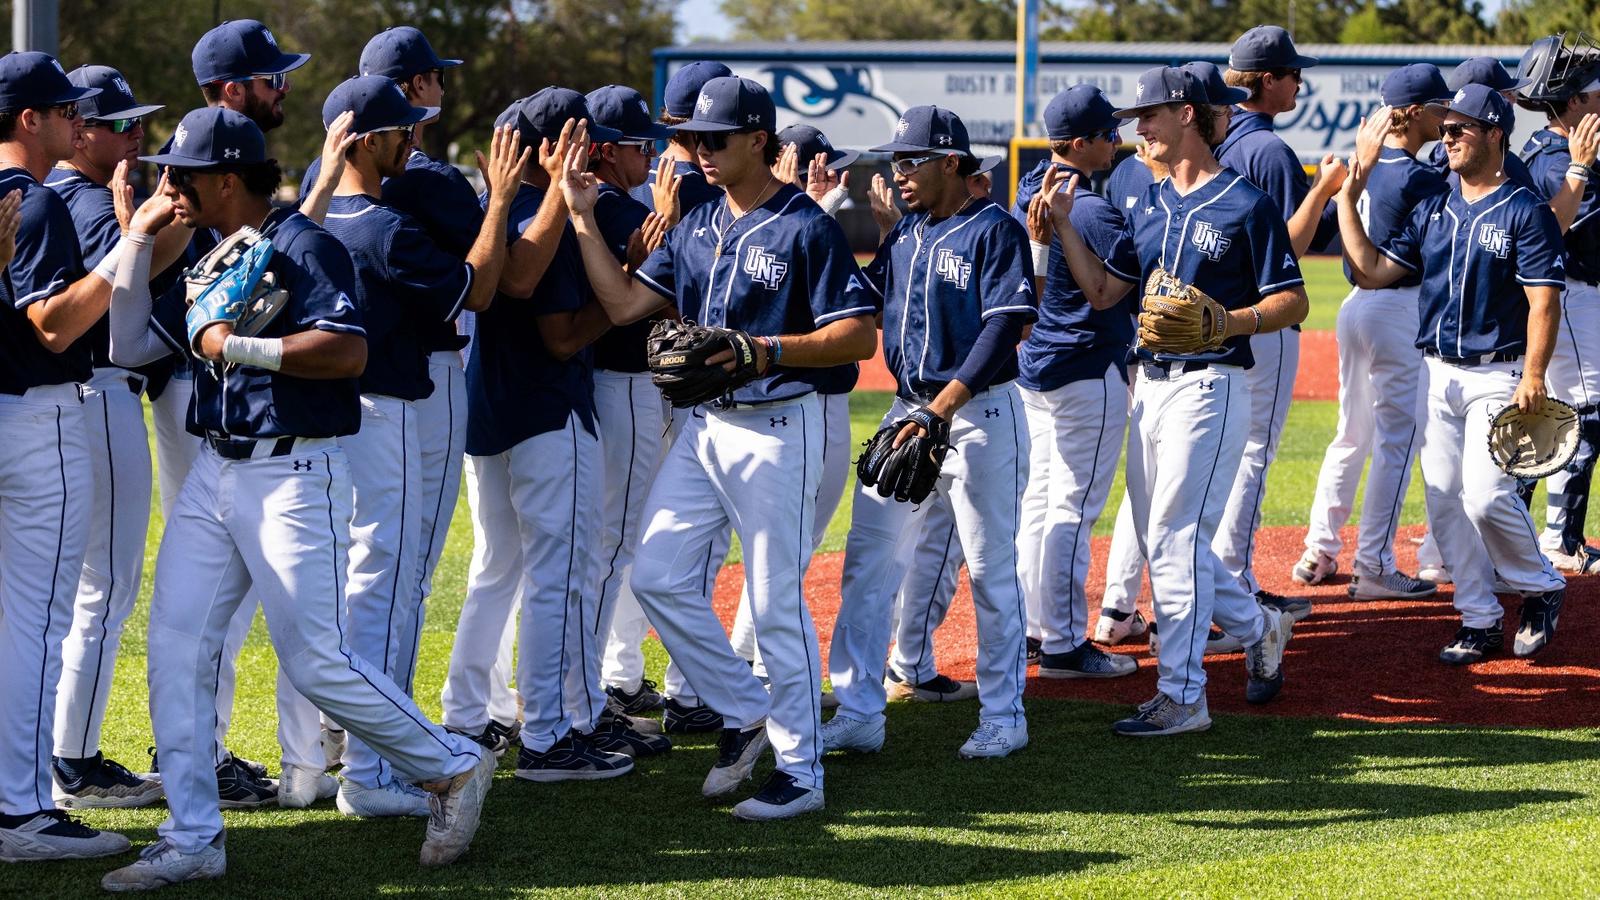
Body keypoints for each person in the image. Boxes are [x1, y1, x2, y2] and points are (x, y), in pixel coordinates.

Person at [100, 106, 495, 890]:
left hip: (292, 472)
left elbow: (348, 351)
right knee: (176, 651)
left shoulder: (306, 245)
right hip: (216, 469)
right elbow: (128, 345)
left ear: (227, 178)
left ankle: (450, 764)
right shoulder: (208, 247)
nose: (168, 183)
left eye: (181, 173)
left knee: (316, 660)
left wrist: (240, 344)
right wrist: (138, 241)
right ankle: (192, 835)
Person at [562, 75, 878, 820]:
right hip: (703, 428)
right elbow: (623, 305)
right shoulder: (698, 228)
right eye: (692, 139)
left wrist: (764, 349)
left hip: (777, 427)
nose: (698, 151)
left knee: (773, 603)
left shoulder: (806, 225)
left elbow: (859, 336)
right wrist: (579, 216)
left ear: (759, 140)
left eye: (715, 139)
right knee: (660, 576)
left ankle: (801, 772)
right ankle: (745, 708)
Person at [1049, 66, 1302, 736]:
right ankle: (1258, 625)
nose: (1139, 129)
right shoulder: (1148, 203)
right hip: (1148, 387)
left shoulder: (1247, 203)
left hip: (1212, 385)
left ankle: (1184, 695)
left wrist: (1230, 321)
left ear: (1188, 114)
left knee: (1173, 538)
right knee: (1171, 540)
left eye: (1150, 115)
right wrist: (1064, 229)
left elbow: (1293, 300)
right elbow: (1107, 294)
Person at [445, 87, 665, 784]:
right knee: (557, 577)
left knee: (499, 570)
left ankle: (471, 710)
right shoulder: (559, 216)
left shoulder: (497, 207)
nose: (590, 152)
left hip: (493, 409)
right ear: (550, 147)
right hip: (546, 409)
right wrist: (622, 289)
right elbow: (562, 335)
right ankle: (548, 736)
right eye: (577, 139)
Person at [316, 75, 522, 815]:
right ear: (368, 139)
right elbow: (482, 289)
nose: (414, 137)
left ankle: (360, 749)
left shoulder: (319, 217)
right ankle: (374, 772)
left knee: (372, 581)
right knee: (395, 587)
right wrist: (499, 200)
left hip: (356, 413)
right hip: (400, 410)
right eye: (402, 129)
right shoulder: (381, 227)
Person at [825, 104, 1037, 760]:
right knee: (867, 561)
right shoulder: (906, 233)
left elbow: (1006, 326)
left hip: (979, 415)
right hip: (907, 412)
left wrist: (941, 408)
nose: (899, 172)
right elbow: (865, 302)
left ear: (953, 161)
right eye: (895, 160)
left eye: (911, 159)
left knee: (990, 571)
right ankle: (860, 708)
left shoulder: (994, 230)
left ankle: (1004, 715)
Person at [1337, 85, 1568, 664]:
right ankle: (1479, 616)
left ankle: (1541, 585)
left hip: (1498, 374)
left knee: (1487, 497)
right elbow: (1369, 272)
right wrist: (1348, 194)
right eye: (1445, 128)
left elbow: (1544, 301)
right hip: (1436, 374)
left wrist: (1534, 374)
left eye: (1461, 128)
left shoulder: (1524, 209)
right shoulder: (1433, 209)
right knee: (1442, 501)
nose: (1448, 137)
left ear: (1494, 132)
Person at [0, 49, 133, 864]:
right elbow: (54, 326)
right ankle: (20, 812)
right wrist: (130, 246)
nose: (74, 125)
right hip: (38, 419)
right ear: (29, 119)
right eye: (62, 113)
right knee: (36, 623)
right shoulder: (36, 202)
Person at [42, 65, 167, 812]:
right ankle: (75, 765)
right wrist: (149, 229)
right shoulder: (87, 200)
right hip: (98, 395)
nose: (136, 133)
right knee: (103, 589)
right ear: (76, 130)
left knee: (60, 594)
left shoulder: (53, 193)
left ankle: (57, 758)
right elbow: (116, 309)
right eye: (119, 124)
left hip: (65, 404)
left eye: (138, 120)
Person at [604, 61, 731, 733]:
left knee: (638, 542)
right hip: (681, 382)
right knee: (677, 546)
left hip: (659, 378)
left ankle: (625, 678)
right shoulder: (699, 190)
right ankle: (688, 689)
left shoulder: (673, 183)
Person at [1292, 64, 1451, 600]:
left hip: (1356, 308)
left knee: (1351, 433)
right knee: (1396, 441)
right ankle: (1374, 564)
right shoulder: (1419, 176)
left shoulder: (1369, 164)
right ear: (1412, 113)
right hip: (1397, 308)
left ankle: (1319, 548)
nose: (1446, 115)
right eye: (1438, 106)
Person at [1011, 85, 1141, 679]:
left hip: (1035, 367)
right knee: (1072, 509)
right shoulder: (1089, 208)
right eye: (1108, 133)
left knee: (1039, 505)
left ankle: (1037, 630)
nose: (1118, 141)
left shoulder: (1026, 191)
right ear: (1081, 143)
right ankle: (1063, 644)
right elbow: (1113, 292)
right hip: (1087, 368)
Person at [1214, 27, 1331, 622]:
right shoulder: (1268, 149)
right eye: (1290, 72)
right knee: (1253, 452)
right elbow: (1290, 247)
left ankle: (1208, 583)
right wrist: (1332, 190)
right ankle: (1234, 584)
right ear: (1265, 81)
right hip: (1263, 316)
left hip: (1212, 320)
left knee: (1218, 456)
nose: (1298, 82)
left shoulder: (1216, 138)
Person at [1514, 35, 1600, 574]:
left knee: (1562, 418)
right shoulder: (1556, 162)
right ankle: (1555, 541)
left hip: (1577, 299)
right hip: (1571, 298)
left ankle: (1525, 535)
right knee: (1584, 417)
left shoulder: (1553, 151)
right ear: (1572, 104)